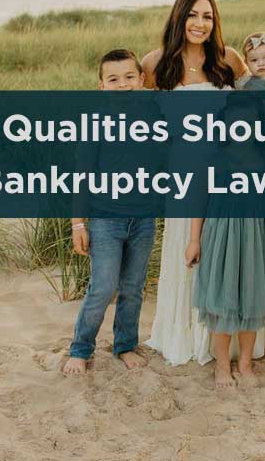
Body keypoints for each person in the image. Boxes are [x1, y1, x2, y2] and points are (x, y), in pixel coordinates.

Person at [142, 0, 265, 365]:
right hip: (184, 174)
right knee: (189, 251)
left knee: (231, 253)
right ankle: (189, 336)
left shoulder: (229, 60)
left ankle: (236, 342)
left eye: (207, 16)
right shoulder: (156, 64)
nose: (199, 24)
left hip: (230, 172)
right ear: (178, 16)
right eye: (192, 15)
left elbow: (262, 103)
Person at [63, 49, 158, 375]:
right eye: (113, 79)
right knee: (103, 287)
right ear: (101, 86)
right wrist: (78, 224)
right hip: (106, 220)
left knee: (133, 286)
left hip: (144, 219)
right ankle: (80, 348)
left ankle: (125, 345)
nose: (122, 85)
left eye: (130, 77)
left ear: (142, 80)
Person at [185, 94, 265, 388]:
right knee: (222, 301)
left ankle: (244, 363)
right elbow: (198, 201)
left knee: (253, 299)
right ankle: (221, 366)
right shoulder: (214, 159)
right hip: (222, 233)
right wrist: (194, 240)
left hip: (257, 235)